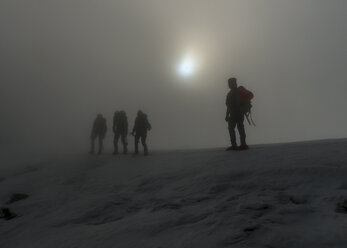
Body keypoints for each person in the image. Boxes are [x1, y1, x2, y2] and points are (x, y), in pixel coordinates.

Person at [225, 77, 253, 150]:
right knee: (234, 128)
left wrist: (242, 103)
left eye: (230, 83)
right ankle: (237, 145)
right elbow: (228, 106)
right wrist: (227, 115)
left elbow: (251, 95)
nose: (229, 85)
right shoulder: (229, 94)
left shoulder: (240, 90)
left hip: (239, 112)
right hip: (233, 113)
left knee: (239, 127)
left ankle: (242, 144)